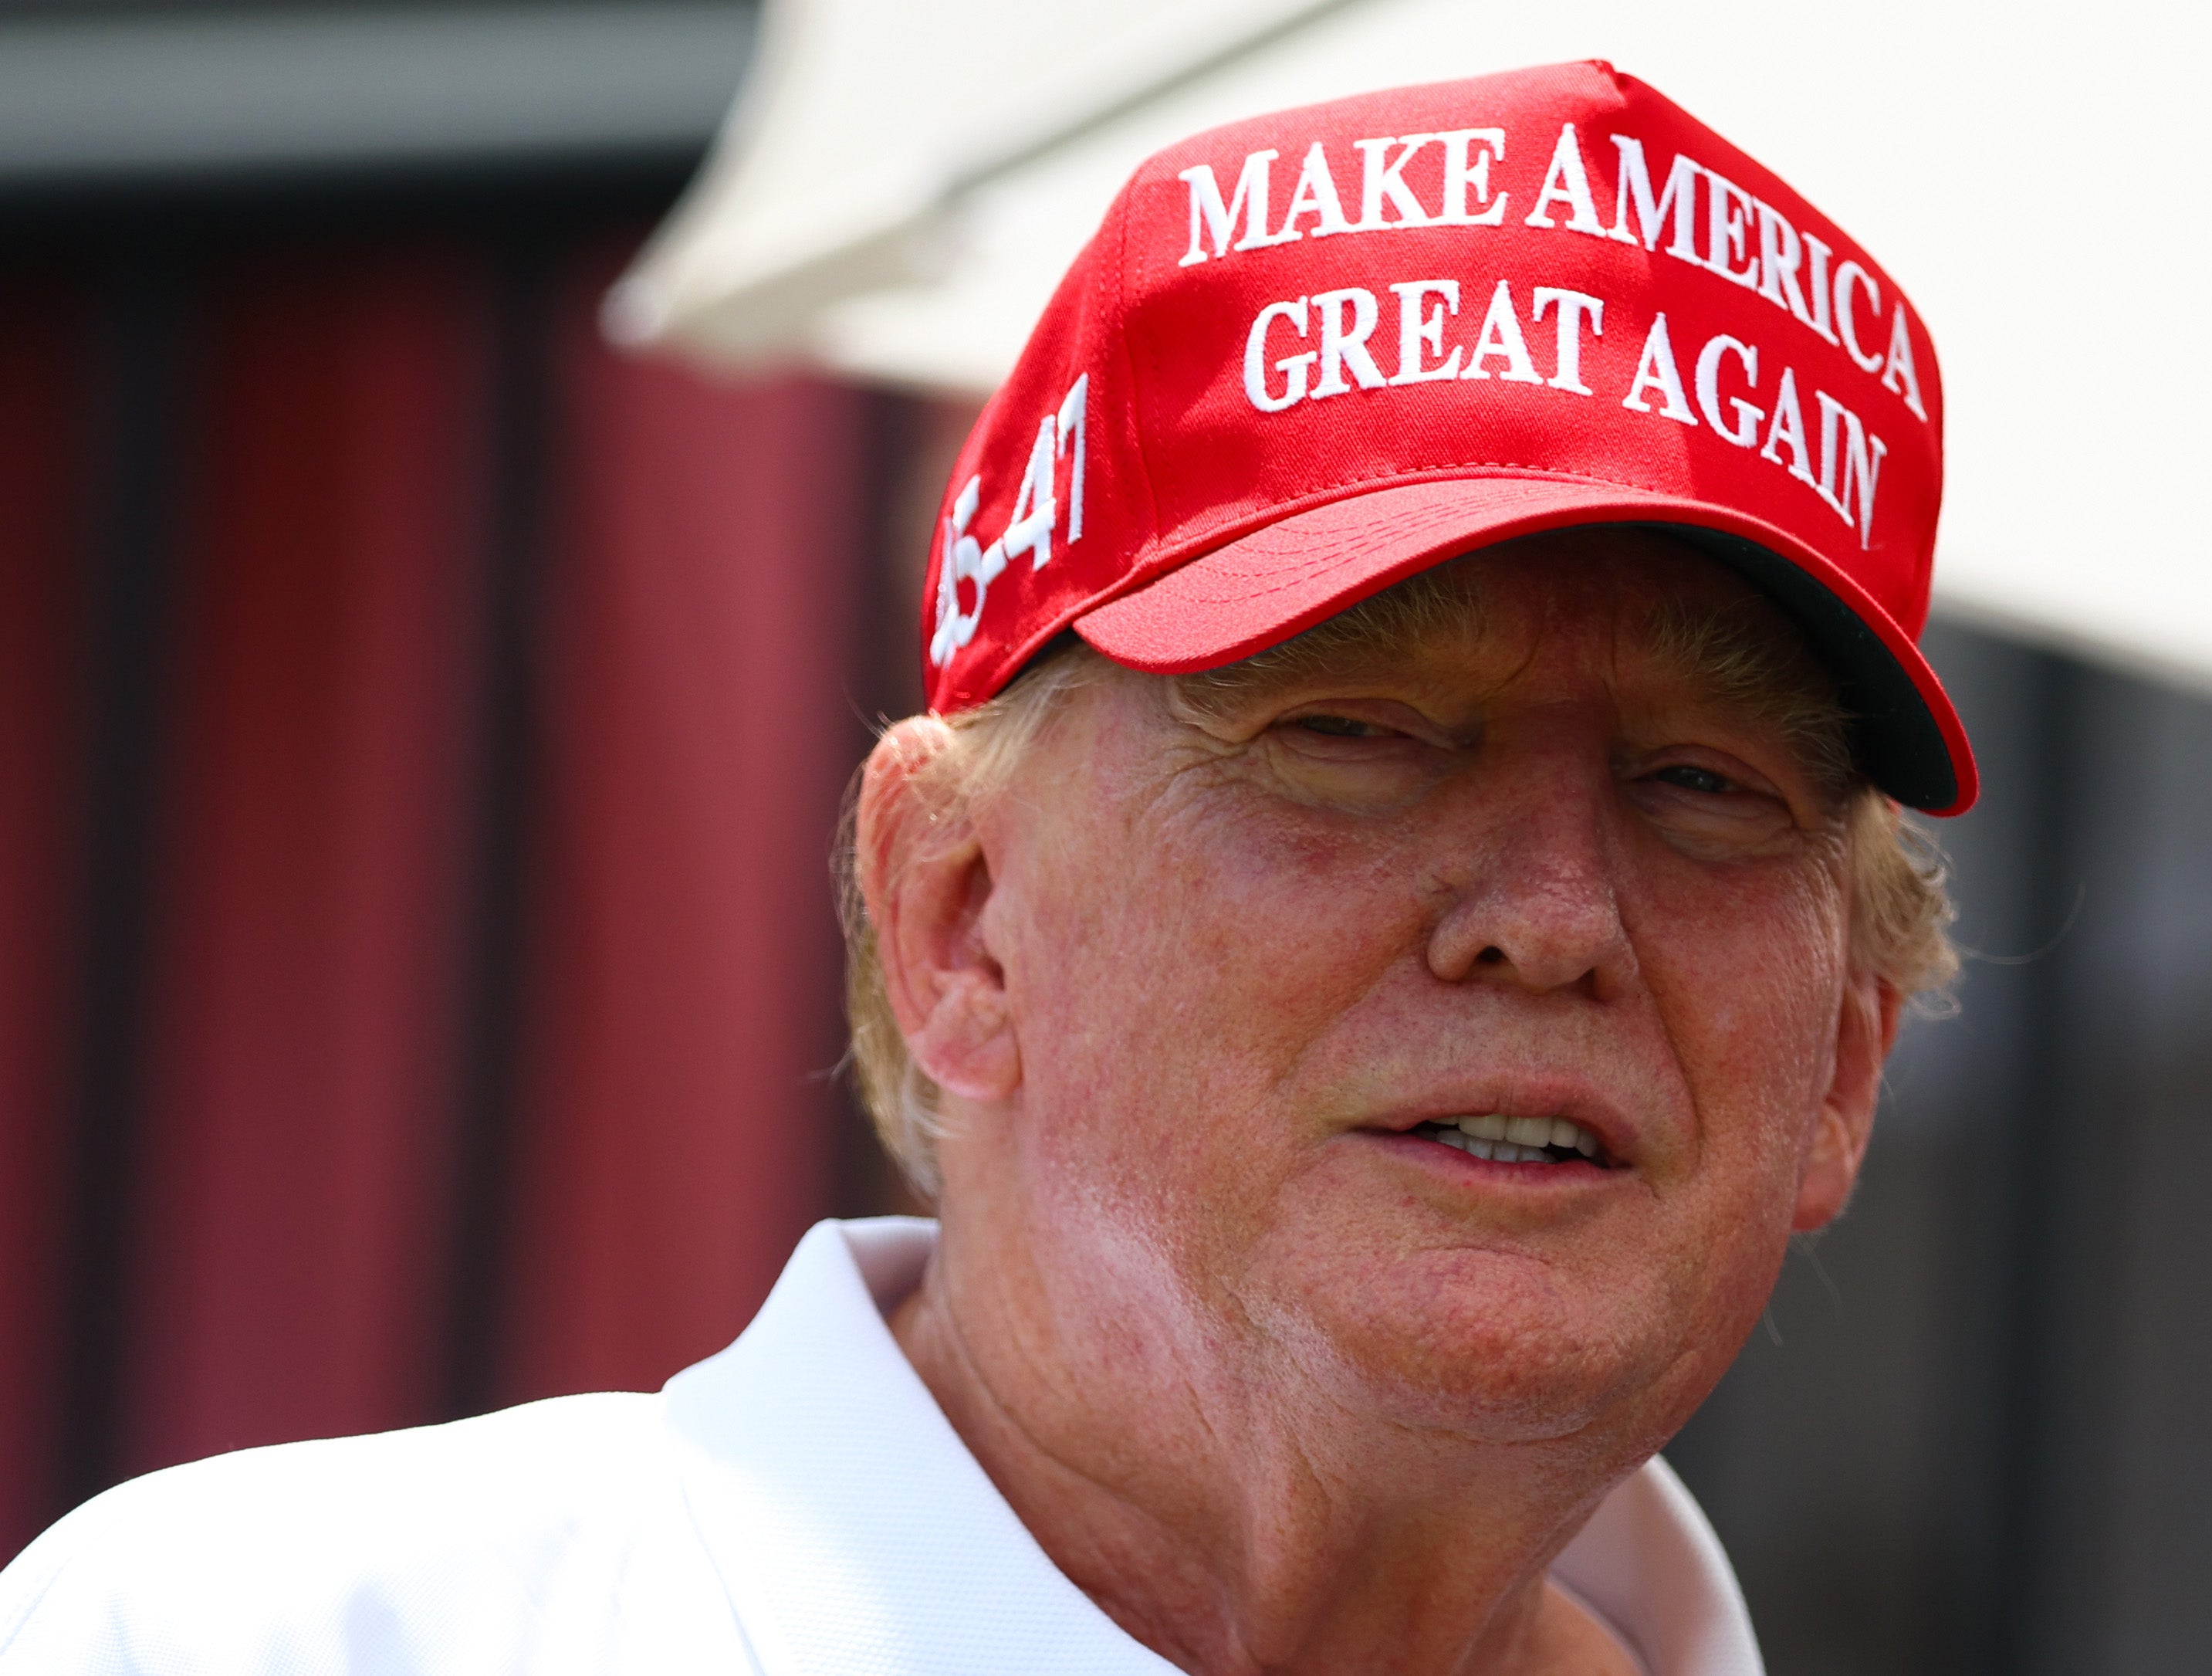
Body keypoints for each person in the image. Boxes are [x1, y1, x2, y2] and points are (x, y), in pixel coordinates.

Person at [0, 59, 1971, 1675]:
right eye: (1354, 739)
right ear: (957, 915)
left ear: (1841, 1066)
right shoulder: (244, 1644)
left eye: (1704, 786)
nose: (1550, 916)